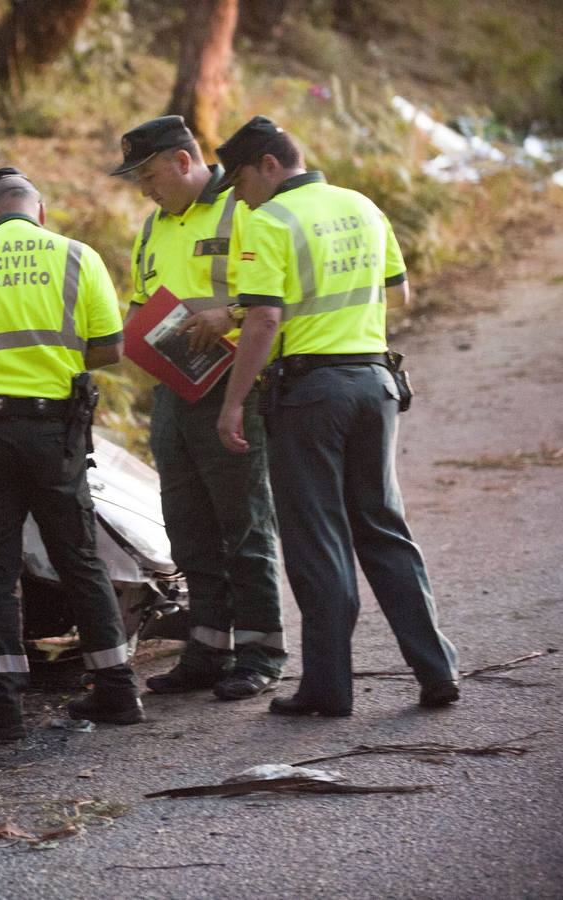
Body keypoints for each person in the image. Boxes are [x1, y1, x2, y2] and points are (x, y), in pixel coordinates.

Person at [214, 116, 460, 717]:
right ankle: (437, 669)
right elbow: (398, 291)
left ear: (269, 165)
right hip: (375, 383)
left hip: (311, 394)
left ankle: (327, 688)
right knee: (382, 526)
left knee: (317, 538)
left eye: (241, 180)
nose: (239, 194)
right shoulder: (362, 205)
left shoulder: (271, 221)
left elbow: (265, 320)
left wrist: (234, 401)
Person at [0, 167, 144, 741]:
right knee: (80, 557)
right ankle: (117, 689)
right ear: (39, 212)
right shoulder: (78, 257)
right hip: (56, 434)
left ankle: (5, 703)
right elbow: (112, 348)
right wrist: (50, 359)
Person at [111, 116, 286, 701]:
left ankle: (260, 651)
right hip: (173, 393)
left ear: (182, 161)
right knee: (187, 527)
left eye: (148, 173)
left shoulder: (244, 209)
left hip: (235, 388)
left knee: (244, 524)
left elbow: (278, 293)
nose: (143, 188)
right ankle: (209, 650)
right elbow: (141, 304)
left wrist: (231, 313)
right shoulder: (151, 229)